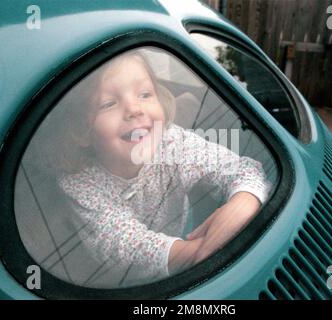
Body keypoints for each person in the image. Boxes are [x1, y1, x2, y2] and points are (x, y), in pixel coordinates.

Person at [36, 49, 272, 287]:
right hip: (118, 283)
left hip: (182, 234)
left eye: (145, 94)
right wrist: (203, 251)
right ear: (81, 131)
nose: (134, 109)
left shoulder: (171, 143)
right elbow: (126, 247)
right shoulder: (79, 181)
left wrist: (242, 204)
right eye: (108, 103)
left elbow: (241, 169)